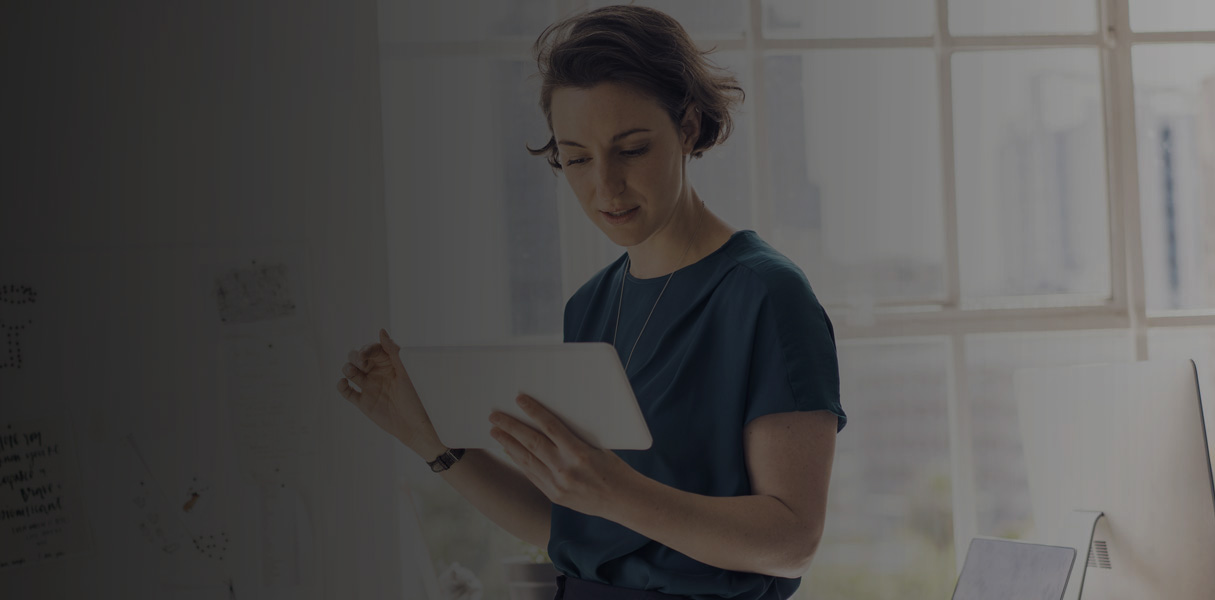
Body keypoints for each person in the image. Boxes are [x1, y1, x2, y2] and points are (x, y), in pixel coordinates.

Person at [336, 5, 846, 600]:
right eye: (576, 158)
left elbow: (792, 542)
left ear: (687, 127)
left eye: (630, 149)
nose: (604, 186)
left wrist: (617, 492)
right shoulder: (591, 305)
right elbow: (575, 528)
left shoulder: (766, 296)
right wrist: (429, 440)